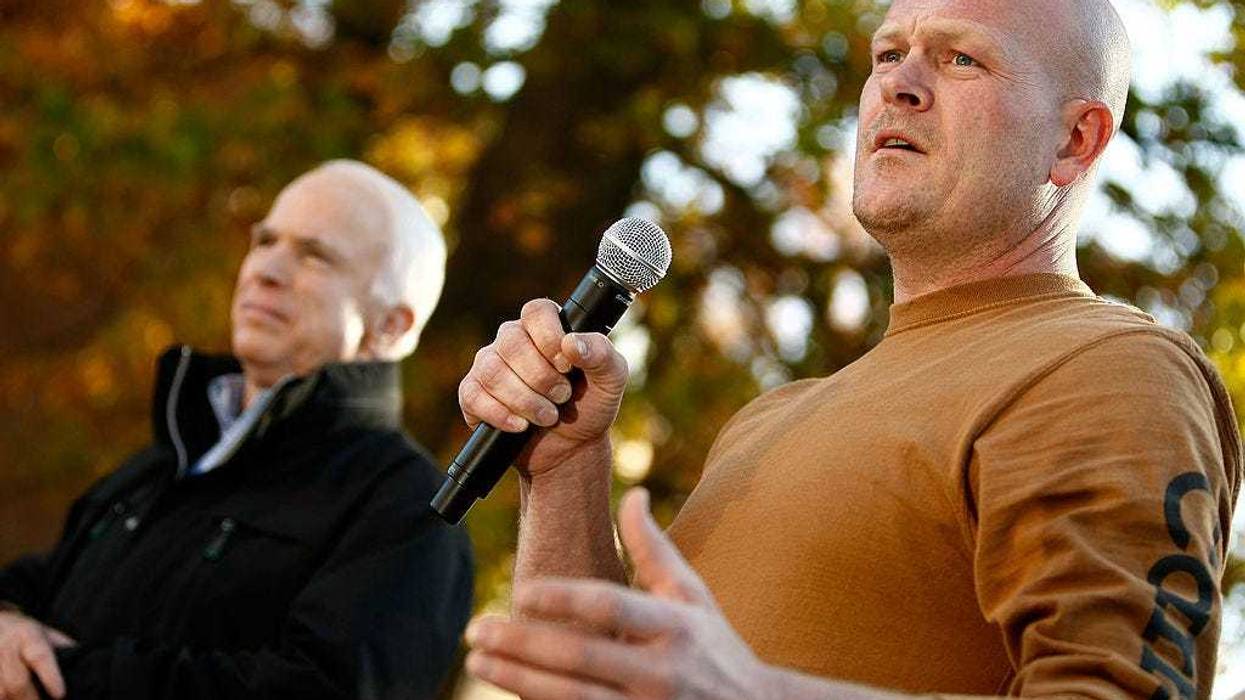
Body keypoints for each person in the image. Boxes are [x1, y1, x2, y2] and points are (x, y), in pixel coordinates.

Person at [455, 1, 1241, 698]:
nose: (900, 83)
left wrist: (755, 695)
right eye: (887, 53)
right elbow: (598, 685)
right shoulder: (765, 420)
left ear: (1074, 139)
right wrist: (564, 469)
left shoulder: (1111, 368)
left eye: (961, 58)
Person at [0, 160, 473, 700]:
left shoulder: (410, 509)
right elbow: (37, 583)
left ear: (391, 325)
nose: (265, 270)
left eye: (314, 256)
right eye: (265, 241)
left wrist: (65, 677)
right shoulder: (167, 460)